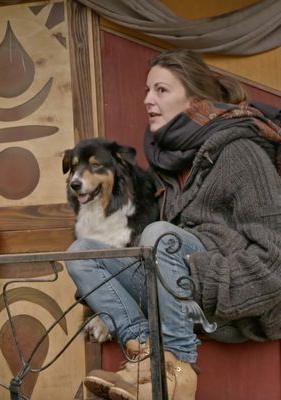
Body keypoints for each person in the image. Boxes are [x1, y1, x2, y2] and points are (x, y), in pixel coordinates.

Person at [65, 49, 281, 400]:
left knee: (159, 235)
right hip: (180, 294)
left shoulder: (242, 152)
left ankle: (177, 373)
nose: (148, 100)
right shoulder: (164, 164)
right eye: (147, 91)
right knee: (83, 252)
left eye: (161, 91)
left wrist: (199, 276)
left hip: (237, 306)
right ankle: (146, 355)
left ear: (195, 97)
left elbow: (275, 262)